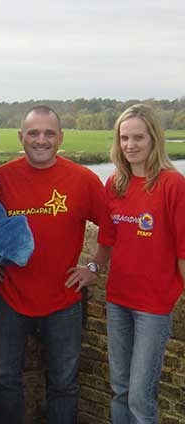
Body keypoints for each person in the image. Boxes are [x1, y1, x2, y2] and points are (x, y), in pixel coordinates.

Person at [0, 105, 112, 424]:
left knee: (64, 383)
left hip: (64, 299)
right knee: (4, 378)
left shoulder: (82, 179)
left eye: (48, 133)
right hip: (10, 296)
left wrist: (95, 267)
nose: (40, 140)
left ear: (60, 138)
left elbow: (112, 228)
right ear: (20, 137)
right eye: (33, 133)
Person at [101, 104, 185, 423]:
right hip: (117, 300)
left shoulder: (172, 185)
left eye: (138, 137)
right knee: (120, 388)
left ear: (154, 139)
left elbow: (183, 249)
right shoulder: (115, 184)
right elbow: (107, 240)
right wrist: (92, 267)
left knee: (140, 395)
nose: (130, 145)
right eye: (124, 137)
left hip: (153, 306)